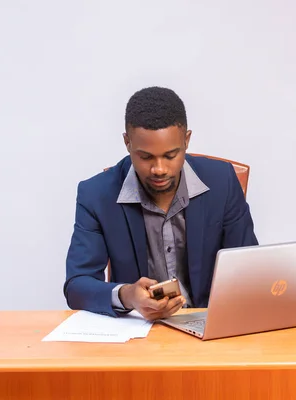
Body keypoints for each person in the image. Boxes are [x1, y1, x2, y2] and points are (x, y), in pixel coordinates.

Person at [63, 86, 258, 320]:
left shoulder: (222, 182)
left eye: (170, 155)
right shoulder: (96, 194)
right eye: (145, 157)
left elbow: (249, 269)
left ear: (186, 141)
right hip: (141, 331)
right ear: (127, 143)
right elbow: (77, 285)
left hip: (211, 326)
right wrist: (127, 295)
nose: (159, 169)